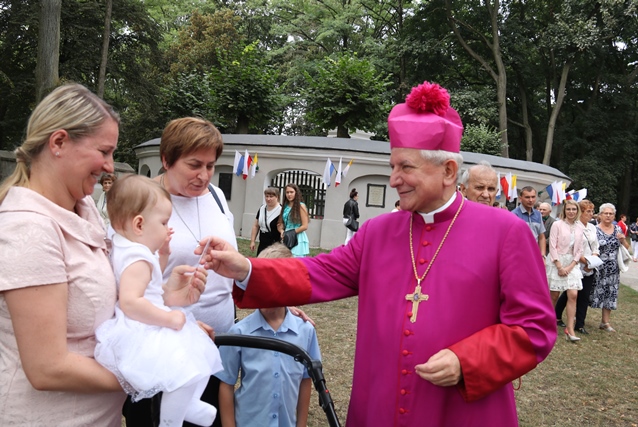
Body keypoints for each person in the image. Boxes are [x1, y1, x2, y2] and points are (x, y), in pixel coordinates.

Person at [198, 82, 556, 426]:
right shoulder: (378, 232)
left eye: (406, 167)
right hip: (380, 405)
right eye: (392, 167)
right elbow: (320, 272)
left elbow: (534, 328)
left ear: (448, 171)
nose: (394, 179)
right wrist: (246, 268)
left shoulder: (506, 232)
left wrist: (468, 361)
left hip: (461, 411)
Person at [122, 117, 312, 427]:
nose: (204, 175)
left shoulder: (215, 196)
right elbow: (125, 288)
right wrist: (180, 324)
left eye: (210, 166)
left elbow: (231, 268)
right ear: (166, 160)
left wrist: (275, 300)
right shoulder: (140, 201)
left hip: (216, 348)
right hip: (163, 354)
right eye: (194, 165)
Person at [0, 83, 127, 426]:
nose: (110, 166)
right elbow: (47, 367)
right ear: (58, 143)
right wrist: (146, 374)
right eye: (104, 151)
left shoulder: (84, 210)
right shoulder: (28, 229)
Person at [95, 174, 222, 427]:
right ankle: (170, 420)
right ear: (139, 224)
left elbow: (151, 282)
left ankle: (189, 405)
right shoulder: (138, 259)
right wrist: (169, 318)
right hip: (146, 326)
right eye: (164, 222)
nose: (167, 228)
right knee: (183, 368)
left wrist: (162, 254)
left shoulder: (127, 248)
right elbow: (131, 302)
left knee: (193, 361)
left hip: (147, 320)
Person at [217, 243, 321, 427]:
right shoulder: (239, 333)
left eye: (273, 286)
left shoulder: (306, 332)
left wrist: (301, 424)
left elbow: (306, 380)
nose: (265, 293)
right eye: (260, 285)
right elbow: (226, 383)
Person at [555, 200, 599, 334]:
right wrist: (585, 262)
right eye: (588, 211)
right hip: (576, 263)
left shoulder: (592, 227)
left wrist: (593, 261)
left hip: (590, 265)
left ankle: (579, 324)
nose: (591, 214)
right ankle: (556, 316)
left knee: (584, 295)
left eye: (592, 211)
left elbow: (595, 245)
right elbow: (573, 248)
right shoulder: (574, 226)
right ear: (581, 212)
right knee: (569, 294)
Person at [545, 200, 584, 342]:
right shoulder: (557, 225)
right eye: (569, 209)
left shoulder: (580, 227)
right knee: (554, 295)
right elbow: (552, 245)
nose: (571, 212)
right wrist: (559, 266)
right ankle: (547, 324)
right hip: (557, 261)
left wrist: (571, 265)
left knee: (573, 294)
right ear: (564, 210)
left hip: (572, 263)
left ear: (577, 211)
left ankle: (570, 328)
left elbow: (580, 249)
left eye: (574, 209)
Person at [590, 203, 629, 332]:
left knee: (610, 294)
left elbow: (627, 248)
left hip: (613, 269)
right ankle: (578, 318)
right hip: (597, 267)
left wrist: (623, 240)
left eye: (611, 214)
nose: (608, 216)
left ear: (614, 216)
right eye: (605, 213)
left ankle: (605, 322)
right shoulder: (594, 229)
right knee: (589, 292)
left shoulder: (618, 229)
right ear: (600, 215)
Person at [512, 186, 547, 259]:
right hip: (519, 255)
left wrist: (543, 256)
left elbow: (541, 237)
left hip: (534, 255)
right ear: (520, 198)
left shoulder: (538, 214)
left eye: (533, 197)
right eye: (527, 197)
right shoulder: (514, 215)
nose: (531, 200)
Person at [277, 183, 309, 257]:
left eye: (291, 192)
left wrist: (291, 233)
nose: (289, 194)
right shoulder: (285, 206)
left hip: (298, 237)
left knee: (295, 259)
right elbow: (280, 223)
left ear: (296, 193)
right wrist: (282, 231)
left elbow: (305, 226)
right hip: (286, 236)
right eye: (287, 192)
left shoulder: (301, 206)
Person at [249, 187, 282, 255]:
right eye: (267, 196)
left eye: (271, 196)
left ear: (277, 197)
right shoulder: (262, 208)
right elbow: (256, 225)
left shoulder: (281, 210)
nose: (268, 199)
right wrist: (252, 241)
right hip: (262, 242)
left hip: (275, 245)